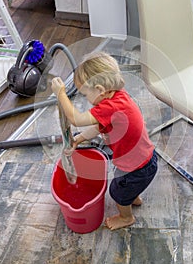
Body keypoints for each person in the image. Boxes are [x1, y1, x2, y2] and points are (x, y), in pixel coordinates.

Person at [51, 51, 158, 230]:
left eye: (85, 94)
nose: (86, 99)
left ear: (100, 89)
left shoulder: (110, 107)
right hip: (145, 160)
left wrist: (61, 93)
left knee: (117, 193)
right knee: (129, 189)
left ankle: (126, 217)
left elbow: (75, 119)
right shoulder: (118, 97)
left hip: (136, 169)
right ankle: (133, 197)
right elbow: (101, 126)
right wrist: (79, 138)